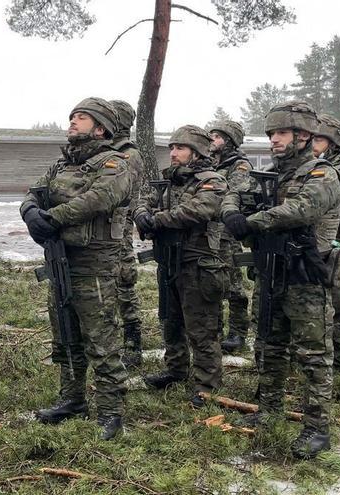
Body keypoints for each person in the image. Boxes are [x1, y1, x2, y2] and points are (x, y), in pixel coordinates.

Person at [221, 101, 340, 459]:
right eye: (271, 133)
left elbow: (303, 208)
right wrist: (231, 211)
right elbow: (234, 191)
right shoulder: (271, 175)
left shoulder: (321, 173)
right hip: (272, 272)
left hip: (306, 277)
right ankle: (270, 409)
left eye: (281, 133)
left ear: (303, 136)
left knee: (314, 356)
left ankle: (317, 428)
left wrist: (252, 222)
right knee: (270, 347)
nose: (273, 139)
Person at [21, 97, 132, 440]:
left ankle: (111, 412)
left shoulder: (115, 163)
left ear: (100, 128)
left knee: (101, 340)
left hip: (94, 266)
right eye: (72, 116)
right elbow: (33, 193)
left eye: (81, 117)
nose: (72, 121)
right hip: (60, 262)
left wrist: (51, 218)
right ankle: (72, 399)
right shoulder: (60, 165)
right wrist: (29, 214)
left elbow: (97, 199)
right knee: (65, 334)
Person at [135, 125, 228, 407]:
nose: (174, 153)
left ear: (197, 152)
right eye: (172, 148)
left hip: (198, 263)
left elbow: (200, 210)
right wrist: (141, 215)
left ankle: (207, 383)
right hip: (168, 260)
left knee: (200, 325)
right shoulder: (168, 181)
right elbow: (142, 201)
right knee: (170, 320)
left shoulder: (211, 180)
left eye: (181, 148)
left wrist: (158, 219)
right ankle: (176, 369)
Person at [311, 114, 340, 372]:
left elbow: (338, 206)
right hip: (313, 248)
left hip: (334, 248)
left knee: (337, 305)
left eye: (318, 138)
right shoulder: (308, 168)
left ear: (332, 143)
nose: (312, 142)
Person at [208, 120, 253, 354]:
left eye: (216, 136)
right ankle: (213, 329)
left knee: (233, 285)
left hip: (227, 234)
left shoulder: (239, 165)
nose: (211, 139)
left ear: (229, 140)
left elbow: (234, 193)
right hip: (207, 233)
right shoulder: (209, 164)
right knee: (211, 283)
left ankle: (237, 331)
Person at [109, 99, 145, 368]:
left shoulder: (127, 154)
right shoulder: (107, 151)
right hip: (101, 230)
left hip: (117, 229)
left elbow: (124, 194)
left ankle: (133, 342)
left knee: (124, 282)